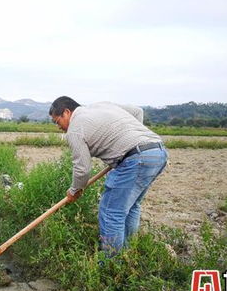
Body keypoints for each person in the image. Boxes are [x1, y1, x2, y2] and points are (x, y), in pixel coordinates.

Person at [49, 96, 168, 258]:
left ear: (67, 112)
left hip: (135, 159)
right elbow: (137, 111)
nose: (59, 127)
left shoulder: (75, 129)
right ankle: (128, 254)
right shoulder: (101, 105)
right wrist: (133, 139)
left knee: (111, 213)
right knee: (131, 206)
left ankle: (112, 263)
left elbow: (82, 169)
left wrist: (74, 190)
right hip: (157, 151)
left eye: (57, 121)